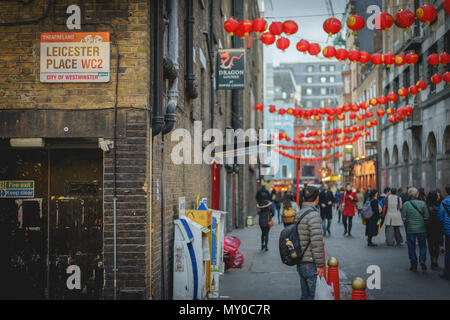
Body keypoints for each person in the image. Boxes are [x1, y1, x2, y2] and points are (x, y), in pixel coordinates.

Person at [295, 186, 324, 300]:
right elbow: (316, 243)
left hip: (300, 261)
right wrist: (320, 265)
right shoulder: (314, 215)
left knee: (305, 295)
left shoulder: (299, 213)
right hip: (310, 262)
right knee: (313, 296)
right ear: (316, 198)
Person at [402, 187, 429, 272]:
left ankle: (414, 265)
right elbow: (427, 217)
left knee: (411, 247)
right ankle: (422, 259)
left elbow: (404, 218)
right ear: (417, 195)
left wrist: (407, 225)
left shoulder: (406, 204)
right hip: (422, 229)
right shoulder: (422, 203)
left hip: (410, 230)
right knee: (423, 246)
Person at [426, 190, 443, 270]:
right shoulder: (440, 206)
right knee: (437, 244)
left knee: (430, 244)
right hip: (438, 228)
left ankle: (432, 258)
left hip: (429, 228)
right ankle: (436, 259)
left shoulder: (426, 207)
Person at [438, 184, 450, 280]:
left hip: (448, 230)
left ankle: (447, 273)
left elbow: (440, 217)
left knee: (448, 252)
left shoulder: (444, 202)